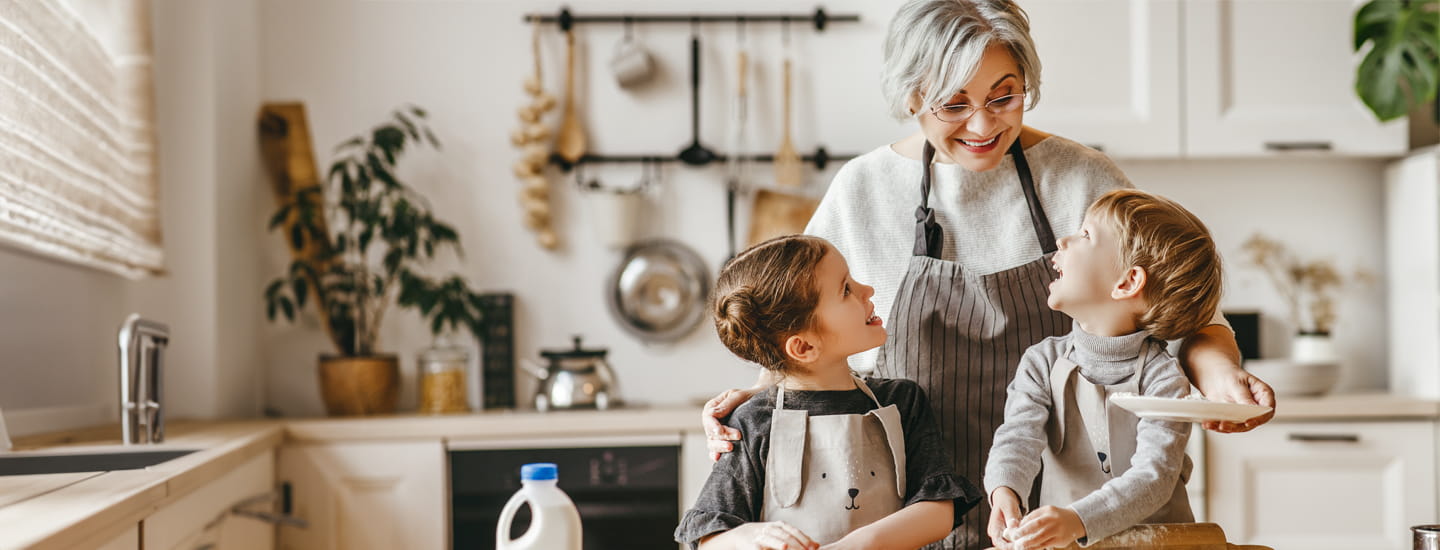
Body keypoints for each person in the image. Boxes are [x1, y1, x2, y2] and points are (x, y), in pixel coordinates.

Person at [700, 1, 1276, 548]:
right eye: (954, 104)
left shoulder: (1080, 177)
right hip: (906, 509)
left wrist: (1222, 373)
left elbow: (1189, 314)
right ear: (912, 96)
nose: (982, 124)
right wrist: (749, 406)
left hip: (1074, 508)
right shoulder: (863, 189)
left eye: (1005, 97)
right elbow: (798, 333)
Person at [675, 235, 982, 550]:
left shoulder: (903, 401)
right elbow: (710, 538)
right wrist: (750, 537)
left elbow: (938, 512)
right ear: (804, 346)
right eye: (846, 289)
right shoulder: (752, 422)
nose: (867, 290)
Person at [984, 189, 1226, 549]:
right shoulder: (1041, 362)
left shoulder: (1164, 378)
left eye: (1085, 235)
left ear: (1127, 282)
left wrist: (1077, 520)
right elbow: (1017, 438)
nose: (1062, 241)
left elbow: (1154, 476)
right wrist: (1004, 490)